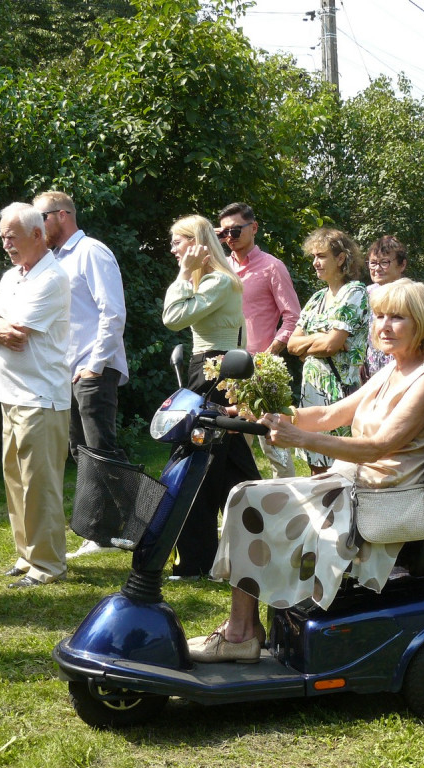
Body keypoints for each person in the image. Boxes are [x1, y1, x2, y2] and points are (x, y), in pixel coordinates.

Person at [188, 279, 424, 663]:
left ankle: (241, 634)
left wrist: (298, 439)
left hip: (378, 496)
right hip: (354, 482)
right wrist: (268, 416)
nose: (384, 325)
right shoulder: (396, 369)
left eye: (398, 317)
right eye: (379, 316)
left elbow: (380, 447)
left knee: (248, 498)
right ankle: (242, 631)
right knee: (245, 494)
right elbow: (331, 414)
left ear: (422, 322)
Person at [0, 203, 71, 588]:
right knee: (15, 479)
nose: (6, 244)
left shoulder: (52, 278)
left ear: (36, 235)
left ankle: (48, 565)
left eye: (12, 236)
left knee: (40, 484)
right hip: (9, 394)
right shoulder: (11, 277)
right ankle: (27, 555)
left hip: (40, 397)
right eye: (2, 237)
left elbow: (17, 331)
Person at [32, 191, 130, 560]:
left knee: (100, 449)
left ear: (61, 215)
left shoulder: (92, 251)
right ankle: (105, 531)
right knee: (82, 450)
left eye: (40, 217)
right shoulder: (52, 260)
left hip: (93, 369)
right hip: (67, 371)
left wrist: (96, 364)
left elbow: (112, 312)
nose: (35, 226)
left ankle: (131, 525)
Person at [162, 214, 261, 579]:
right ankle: (257, 545)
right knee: (234, 471)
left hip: (213, 373)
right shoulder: (213, 280)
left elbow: (172, 317)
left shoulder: (219, 281)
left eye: (177, 242)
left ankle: (197, 561)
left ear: (197, 243)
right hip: (214, 371)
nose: (173, 249)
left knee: (195, 463)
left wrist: (183, 274)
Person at [217, 202, 301, 479]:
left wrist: (268, 356)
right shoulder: (219, 269)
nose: (230, 237)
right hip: (225, 368)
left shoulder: (272, 267)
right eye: (224, 232)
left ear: (253, 228)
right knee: (234, 447)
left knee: (274, 443)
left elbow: (292, 317)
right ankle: (245, 508)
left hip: (261, 368)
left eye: (236, 230)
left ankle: (291, 507)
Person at [287, 228, 370, 475]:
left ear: (341, 258)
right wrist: (322, 340)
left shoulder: (355, 292)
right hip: (311, 392)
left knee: (340, 469)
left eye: (321, 256)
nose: (315, 263)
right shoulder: (316, 298)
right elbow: (292, 344)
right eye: (313, 256)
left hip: (339, 393)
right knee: (315, 467)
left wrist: (319, 344)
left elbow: (332, 345)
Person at [364, 235, 409, 379]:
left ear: (402, 265)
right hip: (370, 375)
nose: (377, 269)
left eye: (384, 262)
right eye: (372, 263)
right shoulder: (364, 293)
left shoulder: (412, 296)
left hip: (402, 373)